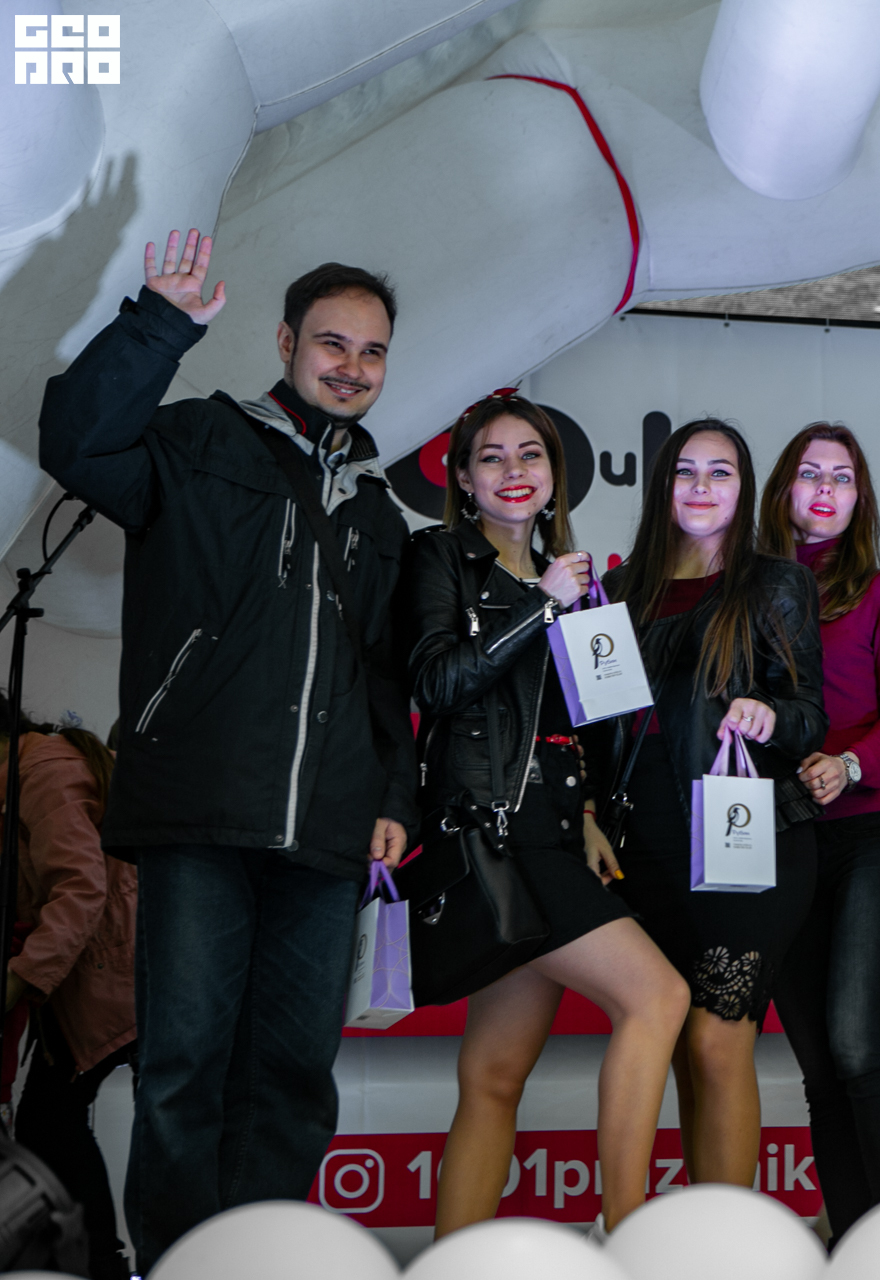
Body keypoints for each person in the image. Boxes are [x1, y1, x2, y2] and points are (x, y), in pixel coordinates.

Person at [38, 230, 417, 1268]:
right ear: (286, 342)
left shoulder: (379, 512)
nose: (351, 366)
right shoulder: (201, 439)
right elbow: (76, 442)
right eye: (333, 343)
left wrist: (393, 794)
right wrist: (158, 325)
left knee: (291, 1077)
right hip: (200, 811)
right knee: (183, 1070)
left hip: (327, 831)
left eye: (372, 351)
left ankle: (260, 1261)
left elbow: (382, 676)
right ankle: (179, 1264)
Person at [400, 392, 689, 1237]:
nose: (513, 471)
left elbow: (586, 718)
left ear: (556, 476)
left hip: (556, 830)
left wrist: (591, 807)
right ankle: (624, 1231)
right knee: (658, 997)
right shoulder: (439, 557)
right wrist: (541, 606)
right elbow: (436, 683)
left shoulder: (575, 579)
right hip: (492, 833)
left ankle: (452, 1259)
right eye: (491, 457)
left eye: (530, 455)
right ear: (463, 478)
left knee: (493, 1076)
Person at [598, 419, 827, 1187]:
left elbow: (809, 715)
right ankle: (703, 1225)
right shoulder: (619, 592)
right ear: (662, 487)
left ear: (744, 487)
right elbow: (598, 723)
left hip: (747, 836)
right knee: (682, 1050)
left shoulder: (777, 583)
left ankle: (731, 1238)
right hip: (646, 844)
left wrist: (769, 715)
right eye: (685, 471)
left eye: (720, 472)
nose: (701, 487)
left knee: (715, 1040)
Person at [759, 422, 880, 1235]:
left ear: (860, 498)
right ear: (782, 490)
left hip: (871, 834)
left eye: (842, 477)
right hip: (779, 839)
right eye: (810, 473)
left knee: (861, 1049)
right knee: (822, 1072)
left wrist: (852, 765)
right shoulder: (745, 591)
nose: (825, 489)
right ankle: (853, 1246)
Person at [2, 697, 135, 1280]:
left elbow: (80, 889)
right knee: (50, 1123)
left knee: (49, 1124)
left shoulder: (42, 771)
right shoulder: (32, 769)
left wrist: (19, 979)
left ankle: (101, 1264)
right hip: (106, 971)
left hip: (111, 971)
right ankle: (101, 1261)